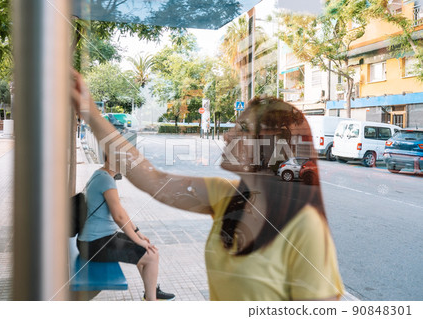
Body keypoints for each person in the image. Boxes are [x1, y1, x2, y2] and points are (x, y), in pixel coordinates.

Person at [71, 70, 345, 301]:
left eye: (242, 130)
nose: (227, 135)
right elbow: (151, 179)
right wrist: (90, 112)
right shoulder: (225, 195)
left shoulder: (304, 226)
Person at [77, 153, 176, 301]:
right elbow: (118, 217)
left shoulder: (100, 175)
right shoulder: (106, 180)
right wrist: (137, 240)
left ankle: (151, 291)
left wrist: (137, 233)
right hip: (95, 244)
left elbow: (121, 210)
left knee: (145, 248)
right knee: (152, 255)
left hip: (95, 239)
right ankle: (151, 299)